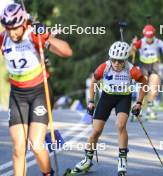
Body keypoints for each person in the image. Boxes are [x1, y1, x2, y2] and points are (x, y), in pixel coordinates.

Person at [0, 3, 72, 176]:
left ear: (24, 23)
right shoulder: (3, 38)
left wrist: (46, 36)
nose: (12, 33)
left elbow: (66, 52)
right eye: (8, 28)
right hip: (18, 96)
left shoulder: (33, 35)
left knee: (36, 144)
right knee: (18, 148)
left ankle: (48, 173)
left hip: (40, 92)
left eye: (15, 28)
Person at [66, 41, 147, 176]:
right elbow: (93, 81)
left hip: (123, 98)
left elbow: (144, 83)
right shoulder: (104, 66)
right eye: (114, 60)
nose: (116, 63)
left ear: (125, 60)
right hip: (106, 97)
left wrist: (139, 102)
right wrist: (91, 101)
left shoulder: (132, 69)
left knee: (120, 125)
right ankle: (87, 160)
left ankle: (122, 159)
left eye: (120, 61)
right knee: (96, 131)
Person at [132, 25, 163, 119]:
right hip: (144, 65)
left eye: (151, 37)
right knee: (143, 87)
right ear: (144, 35)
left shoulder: (158, 41)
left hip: (155, 65)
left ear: (153, 35)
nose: (149, 39)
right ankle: (139, 108)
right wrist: (133, 45)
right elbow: (131, 52)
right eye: (148, 37)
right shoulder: (141, 42)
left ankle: (150, 110)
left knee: (153, 88)